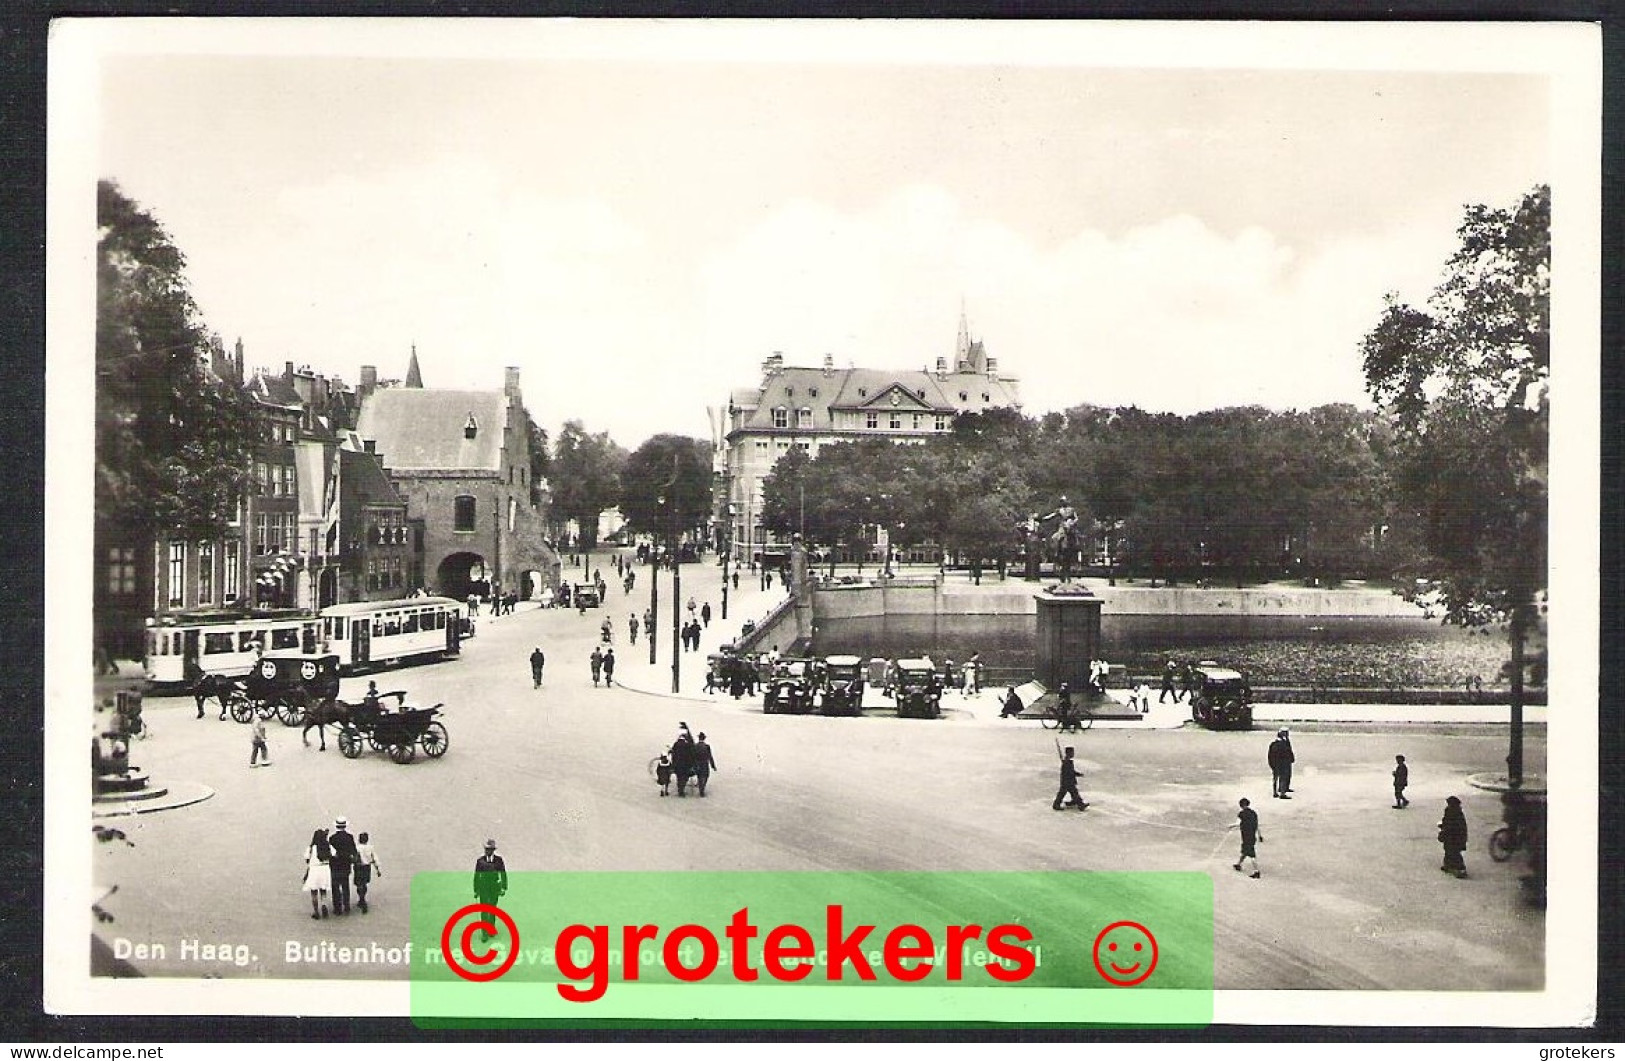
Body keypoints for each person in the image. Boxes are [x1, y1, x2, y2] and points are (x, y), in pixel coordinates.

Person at [328, 817, 358, 915]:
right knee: (345, 885)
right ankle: (346, 905)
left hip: (335, 865)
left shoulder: (332, 838)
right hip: (346, 864)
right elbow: (353, 850)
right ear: (345, 826)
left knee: (335, 886)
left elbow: (330, 852)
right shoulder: (349, 837)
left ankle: (337, 907)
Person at [302, 828, 332, 919]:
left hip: (314, 870)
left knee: (314, 892)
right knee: (323, 891)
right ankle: (324, 904)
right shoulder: (327, 846)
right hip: (325, 869)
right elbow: (334, 854)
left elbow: (307, 859)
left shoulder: (311, 848)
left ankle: (316, 912)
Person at [1439, 796, 1469, 877]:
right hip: (1455, 837)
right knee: (1450, 851)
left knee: (1453, 852)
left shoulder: (1451, 812)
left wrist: (1443, 830)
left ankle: (1460, 869)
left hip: (1453, 837)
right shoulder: (1458, 813)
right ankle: (1448, 865)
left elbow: (1449, 825)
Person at [1234, 798, 1263, 878]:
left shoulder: (1241, 814)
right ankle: (1238, 864)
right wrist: (1260, 835)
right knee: (1245, 851)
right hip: (1252, 836)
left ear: (1241, 805)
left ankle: (1256, 871)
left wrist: (1230, 826)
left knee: (1251, 854)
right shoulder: (1254, 813)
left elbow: (1237, 823)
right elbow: (1257, 825)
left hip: (1245, 836)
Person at [474, 840, 508, 906]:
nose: (486, 851)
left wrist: (503, 888)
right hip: (483, 887)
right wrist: (476, 890)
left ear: (493, 850)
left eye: (489, 849)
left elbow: (503, 874)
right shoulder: (480, 861)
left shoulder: (499, 860)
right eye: (486, 849)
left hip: (494, 887)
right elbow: (477, 876)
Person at [1053, 746, 1088, 811]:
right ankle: (1080, 805)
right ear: (1068, 753)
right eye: (1072, 752)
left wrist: (1077, 774)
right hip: (1068, 781)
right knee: (1068, 793)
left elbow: (1071, 771)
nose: (1073, 754)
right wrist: (1076, 774)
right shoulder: (1067, 762)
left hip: (1068, 781)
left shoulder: (1067, 761)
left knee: (1072, 793)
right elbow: (1069, 772)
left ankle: (1075, 802)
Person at [353, 831, 381, 914]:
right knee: (364, 883)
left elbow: (354, 857)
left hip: (358, 867)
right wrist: (378, 869)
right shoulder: (370, 848)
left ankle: (361, 898)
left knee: (359, 884)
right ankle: (363, 898)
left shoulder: (357, 848)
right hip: (367, 867)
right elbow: (374, 858)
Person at [670, 727, 696, 797]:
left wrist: (673, 765)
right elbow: (690, 755)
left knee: (679, 777)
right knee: (684, 778)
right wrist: (691, 765)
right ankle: (682, 789)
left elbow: (673, 754)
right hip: (685, 765)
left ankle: (680, 790)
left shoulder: (676, 744)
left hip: (677, 765)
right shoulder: (687, 745)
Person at [1269, 729, 1295, 798]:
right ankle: (1282, 794)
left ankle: (1275, 793)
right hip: (1282, 764)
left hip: (1275, 764)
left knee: (1275, 778)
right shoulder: (1283, 744)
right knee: (1283, 778)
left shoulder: (1273, 744)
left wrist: (1271, 764)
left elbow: (1270, 755)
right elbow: (1287, 754)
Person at [692, 732, 718, 797]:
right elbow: (710, 757)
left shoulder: (695, 746)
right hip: (704, 764)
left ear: (699, 738)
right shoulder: (707, 746)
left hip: (698, 764)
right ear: (704, 738)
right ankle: (702, 788)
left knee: (700, 776)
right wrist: (713, 766)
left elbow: (693, 756)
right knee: (706, 776)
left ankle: (701, 788)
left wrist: (693, 765)